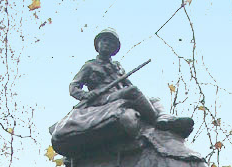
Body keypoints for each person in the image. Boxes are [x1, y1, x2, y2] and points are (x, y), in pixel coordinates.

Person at [51, 29, 194, 157]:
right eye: (104, 40)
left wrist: (145, 100)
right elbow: (73, 87)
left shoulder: (118, 67)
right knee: (133, 92)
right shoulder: (90, 66)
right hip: (102, 99)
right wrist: (85, 95)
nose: (107, 44)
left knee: (153, 99)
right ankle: (156, 120)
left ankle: (165, 119)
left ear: (115, 49)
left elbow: (129, 86)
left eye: (111, 42)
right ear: (98, 44)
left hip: (120, 94)